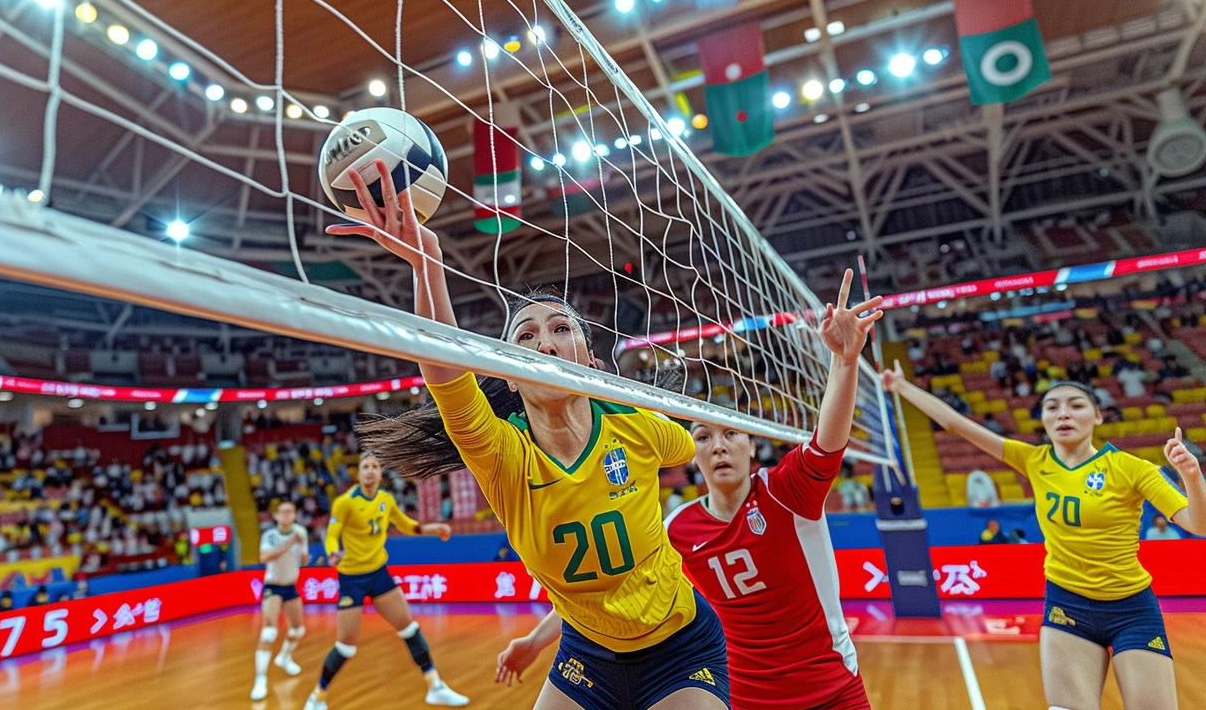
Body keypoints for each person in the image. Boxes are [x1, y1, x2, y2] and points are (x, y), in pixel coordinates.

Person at [336, 160, 731, 710]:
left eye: (561, 328)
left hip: (679, 648)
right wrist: (429, 267)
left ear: (589, 360)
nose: (544, 343)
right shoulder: (502, 454)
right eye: (526, 335)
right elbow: (446, 374)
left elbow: (689, 444)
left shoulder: (639, 429)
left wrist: (610, 395)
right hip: (586, 654)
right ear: (508, 373)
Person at [498, 271, 882, 709]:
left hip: (829, 694)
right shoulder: (679, 527)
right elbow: (618, 586)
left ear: (751, 445)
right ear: (692, 454)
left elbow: (828, 442)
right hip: (744, 699)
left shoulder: (786, 491)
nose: (718, 446)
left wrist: (845, 362)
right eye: (703, 437)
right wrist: (534, 640)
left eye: (731, 435)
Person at [882, 367, 1206, 710]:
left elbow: (1197, 524)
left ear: (1097, 415)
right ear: (1042, 419)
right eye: (1052, 406)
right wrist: (900, 386)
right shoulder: (1034, 460)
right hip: (1067, 606)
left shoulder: (1132, 467)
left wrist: (1192, 477)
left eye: (1076, 405)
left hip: (1131, 608)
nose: (1063, 412)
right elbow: (955, 423)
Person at [303, 451, 465, 709]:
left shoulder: (386, 500)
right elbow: (332, 535)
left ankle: (435, 686)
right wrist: (332, 552)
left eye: (375, 466)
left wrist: (433, 528)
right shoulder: (345, 503)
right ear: (358, 473)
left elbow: (406, 524)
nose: (370, 470)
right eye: (365, 466)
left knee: (409, 628)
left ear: (380, 473)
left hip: (379, 574)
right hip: (351, 579)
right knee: (346, 646)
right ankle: (318, 696)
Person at [251, 499, 310, 701]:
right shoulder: (270, 535)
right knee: (269, 632)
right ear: (276, 515)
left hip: (290, 586)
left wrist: (303, 555)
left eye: (290, 512)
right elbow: (264, 557)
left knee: (298, 630)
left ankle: (285, 656)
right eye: (283, 512)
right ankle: (260, 680)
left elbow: (303, 558)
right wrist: (289, 543)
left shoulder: (301, 533)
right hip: (273, 586)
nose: (287, 515)